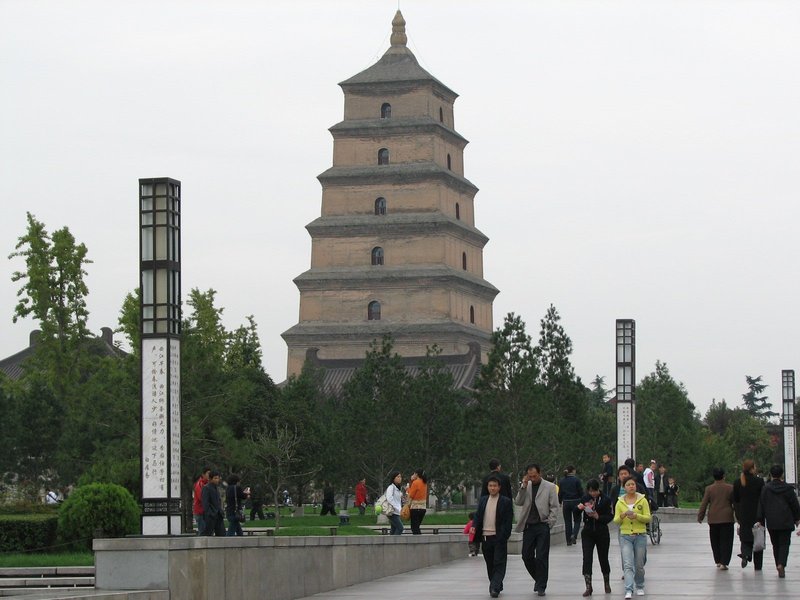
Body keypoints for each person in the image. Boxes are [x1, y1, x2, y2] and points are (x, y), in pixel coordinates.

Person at [515, 463, 559, 597]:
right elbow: (518, 502)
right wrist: (523, 485)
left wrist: (549, 523)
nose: (532, 478)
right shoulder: (526, 486)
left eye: (534, 476)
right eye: (530, 476)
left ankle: (541, 586)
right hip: (529, 526)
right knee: (526, 555)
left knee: (541, 556)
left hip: (542, 525)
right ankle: (538, 578)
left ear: (540, 473)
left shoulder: (550, 487)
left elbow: (554, 507)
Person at [472, 475, 514, 598]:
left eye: (495, 486)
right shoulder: (484, 500)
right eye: (490, 486)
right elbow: (478, 516)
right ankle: (496, 584)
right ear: (487, 487)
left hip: (499, 538)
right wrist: (474, 525)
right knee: (490, 564)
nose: (492, 488)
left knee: (499, 563)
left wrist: (504, 536)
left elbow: (508, 521)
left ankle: (494, 588)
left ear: (499, 487)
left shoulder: (505, 501)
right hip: (485, 537)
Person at [756, 464, 800, 578]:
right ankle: (782, 564)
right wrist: (797, 518)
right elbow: (794, 505)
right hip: (786, 520)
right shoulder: (788, 489)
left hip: (772, 521)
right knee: (784, 544)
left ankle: (778, 564)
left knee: (775, 544)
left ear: (771, 474)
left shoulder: (765, 488)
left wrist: (760, 519)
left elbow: (761, 504)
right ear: (782, 475)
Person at [613, 478, 651, 599]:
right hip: (625, 536)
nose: (631, 487)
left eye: (633, 484)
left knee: (639, 564)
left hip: (640, 535)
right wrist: (622, 515)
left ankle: (640, 585)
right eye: (628, 485)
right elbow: (616, 520)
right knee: (628, 564)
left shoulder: (643, 500)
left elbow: (647, 518)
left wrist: (636, 516)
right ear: (624, 487)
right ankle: (628, 589)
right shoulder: (620, 502)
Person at [578, 478, 613, 596]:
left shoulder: (606, 500)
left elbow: (610, 516)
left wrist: (598, 517)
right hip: (588, 532)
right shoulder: (585, 498)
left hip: (601, 531)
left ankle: (606, 582)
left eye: (595, 491)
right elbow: (575, 513)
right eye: (590, 491)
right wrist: (579, 508)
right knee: (587, 558)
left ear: (599, 489)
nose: (593, 493)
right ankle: (588, 586)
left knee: (603, 558)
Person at [697, 467, 735, 569]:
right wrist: (739, 517)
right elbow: (735, 503)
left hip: (713, 518)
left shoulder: (709, 489)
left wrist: (700, 516)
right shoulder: (730, 488)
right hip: (727, 518)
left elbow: (704, 503)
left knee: (715, 540)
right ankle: (724, 562)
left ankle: (718, 560)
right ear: (723, 476)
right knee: (726, 541)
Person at [733, 459, 765, 570]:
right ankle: (758, 565)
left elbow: (735, 499)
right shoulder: (759, 482)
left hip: (743, 514)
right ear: (752, 468)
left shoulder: (737, 482)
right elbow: (763, 498)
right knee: (758, 538)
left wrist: (737, 514)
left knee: (745, 537)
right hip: (757, 514)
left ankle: (746, 554)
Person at [558, 466, 583, 546]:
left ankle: (568, 540)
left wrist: (560, 501)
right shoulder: (577, 480)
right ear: (573, 471)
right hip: (576, 501)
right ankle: (574, 535)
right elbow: (580, 491)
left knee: (567, 522)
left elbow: (560, 493)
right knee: (577, 520)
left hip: (566, 502)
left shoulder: (562, 481)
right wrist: (583, 501)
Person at [201, 471, 225, 536]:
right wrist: (210, 513)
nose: (217, 480)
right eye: (215, 478)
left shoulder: (216, 488)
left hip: (218, 514)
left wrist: (221, 511)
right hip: (211, 515)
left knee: (222, 534)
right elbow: (205, 503)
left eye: (218, 478)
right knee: (207, 534)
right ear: (210, 479)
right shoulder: (206, 488)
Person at [407, 469, 428, 534]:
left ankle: (419, 542)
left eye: (414, 474)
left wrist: (408, 487)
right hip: (423, 508)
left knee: (414, 527)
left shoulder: (415, 482)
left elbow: (411, 495)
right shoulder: (424, 483)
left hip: (415, 508)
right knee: (417, 526)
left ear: (416, 474)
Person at [192, 467, 211, 535]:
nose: (209, 475)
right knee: (202, 530)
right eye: (208, 473)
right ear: (203, 474)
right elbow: (202, 498)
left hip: (205, 511)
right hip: (200, 511)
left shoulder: (208, 484)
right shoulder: (200, 484)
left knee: (207, 530)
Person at [385, 471, 404, 535]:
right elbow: (389, 499)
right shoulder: (391, 487)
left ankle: (389, 543)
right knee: (400, 528)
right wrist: (397, 508)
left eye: (400, 477)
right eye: (398, 477)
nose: (400, 478)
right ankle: (395, 543)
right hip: (392, 512)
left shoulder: (398, 488)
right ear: (393, 478)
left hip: (396, 512)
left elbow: (398, 499)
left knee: (394, 529)